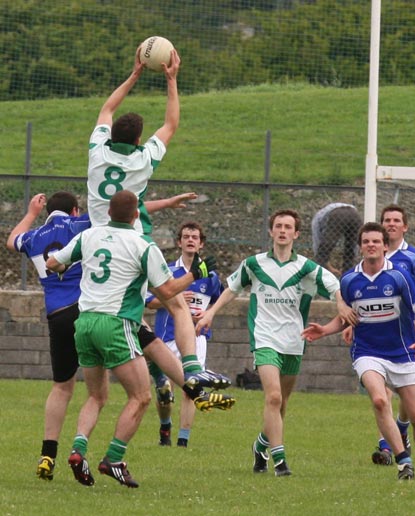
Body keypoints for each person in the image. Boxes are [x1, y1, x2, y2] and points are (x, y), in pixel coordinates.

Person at [45, 190, 221, 488]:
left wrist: (65, 267)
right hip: (116, 324)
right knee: (141, 397)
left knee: (96, 396)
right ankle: (113, 459)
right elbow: (166, 292)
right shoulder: (143, 245)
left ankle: (77, 450)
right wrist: (196, 273)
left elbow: (53, 263)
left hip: (84, 323)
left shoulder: (89, 235)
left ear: (108, 212)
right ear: (137, 215)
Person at [86, 42, 230, 397]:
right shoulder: (142, 160)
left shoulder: (96, 152)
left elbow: (107, 108)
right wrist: (171, 79)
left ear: (110, 135)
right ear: (138, 140)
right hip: (134, 244)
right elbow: (171, 123)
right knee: (175, 303)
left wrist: (134, 73)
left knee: (133, 320)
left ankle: (176, 381)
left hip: (97, 245)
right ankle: (193, 371)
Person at [195, 209, 356, 476]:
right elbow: (232, 289)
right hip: (264, 337)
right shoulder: (254, 264)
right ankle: (280, 461)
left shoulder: (305, 267)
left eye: (287, 226)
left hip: (294, 340)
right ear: (271, 232)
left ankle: (260, 445)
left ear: (296, 234)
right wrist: (211, 313)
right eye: (278, 226)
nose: (282, 230)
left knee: (281, 404)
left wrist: (340, 303)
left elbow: (333, 284)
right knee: (272, 396)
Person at [303, 222, 415, 480]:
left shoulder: (399, 276)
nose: (371, 245)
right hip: (367, 352)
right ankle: (403, 461)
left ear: (385, 246)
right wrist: (325, 330)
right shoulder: (350, 280)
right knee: (378, 399)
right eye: (366, 242)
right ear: (361, 246)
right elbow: (347, 317)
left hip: (402, 354)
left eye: (376, 241)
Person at [6, 192, 91, 481]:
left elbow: (11, 240)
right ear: (75, 210)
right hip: (86, 310)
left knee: (61, 387)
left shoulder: (34, 236)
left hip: (57, 315)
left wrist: (30, 213)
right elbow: (121, 214)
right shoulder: (82, 225)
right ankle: (84, 448)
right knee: (97, 390)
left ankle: (47, 454)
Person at [368, 204, 415, 466]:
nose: (391, 223)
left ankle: (401, 427)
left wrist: (412, 303)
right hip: (377, 338)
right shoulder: (372, 257)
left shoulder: (413, 258)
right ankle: (387, 446)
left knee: (405, 399)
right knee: (382, 392)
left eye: (396, 220)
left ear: (405, 226)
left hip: (407, 336)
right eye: (386, 219)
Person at [146, 221, 227, 447]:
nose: (190, 240)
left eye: (195, 237)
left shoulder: (210, 276)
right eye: (186, 236)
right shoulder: (168, 272)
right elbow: (149, 303)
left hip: (197, 336)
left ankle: (183, 441)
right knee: (165, 390)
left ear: (201, 243)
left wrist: (207, 314)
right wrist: (175, 302)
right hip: (168, 335)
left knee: (192, 386)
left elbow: (218, 301)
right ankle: (165, 426)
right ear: (179, 242)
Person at [311, 203, 362, 276]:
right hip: (355, 214)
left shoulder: (316, 221)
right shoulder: (322, 216)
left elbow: (318, 242)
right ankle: (347, 272)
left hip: (338, 214)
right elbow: (355, 246)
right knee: (351, 247)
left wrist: (320, 257)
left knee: (325, 248)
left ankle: (322, 274)